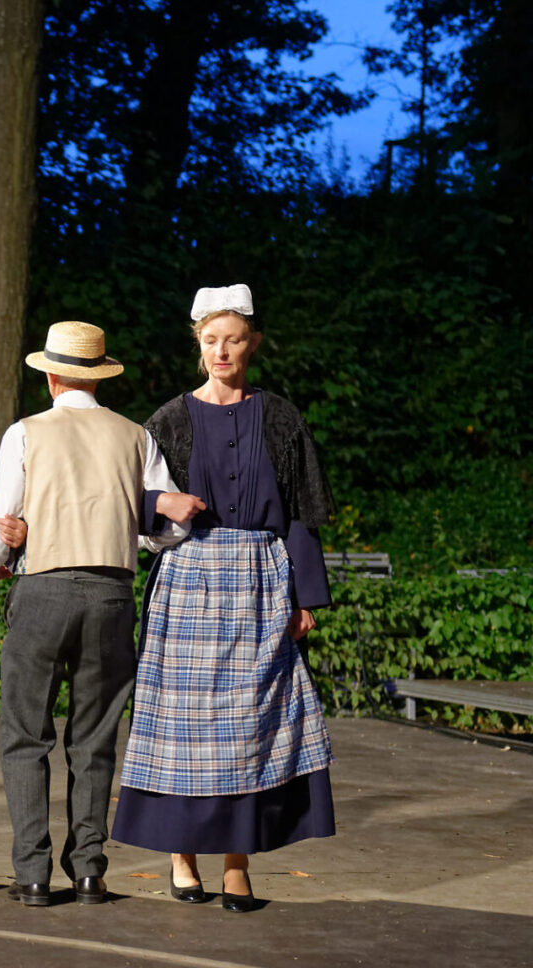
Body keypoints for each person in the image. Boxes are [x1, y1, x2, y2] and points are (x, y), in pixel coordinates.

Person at [111, 285, 336, 913]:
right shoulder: (168, 422)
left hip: (262, 581)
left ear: (253, 343)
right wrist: (160, 504)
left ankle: (237, 866)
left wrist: (304, 595)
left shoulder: (281, 417)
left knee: (249, 728)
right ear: (197, 344)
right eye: (210, 340)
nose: (222, 351)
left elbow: (299, 515)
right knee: (180, 726)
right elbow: (131, 503)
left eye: (233, 339)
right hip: (188, 579)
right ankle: (181, 857)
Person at [0, 321, 203, 907]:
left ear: (50, 375)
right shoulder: (133, 436)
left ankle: (31, 873)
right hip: (110, 593)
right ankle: (89, 871)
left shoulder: (25, 433)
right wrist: (135, 537)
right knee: (95, 737)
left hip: (45, 588)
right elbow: (170, 525)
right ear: (99, 375)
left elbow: (3, 524)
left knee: (27, 736)